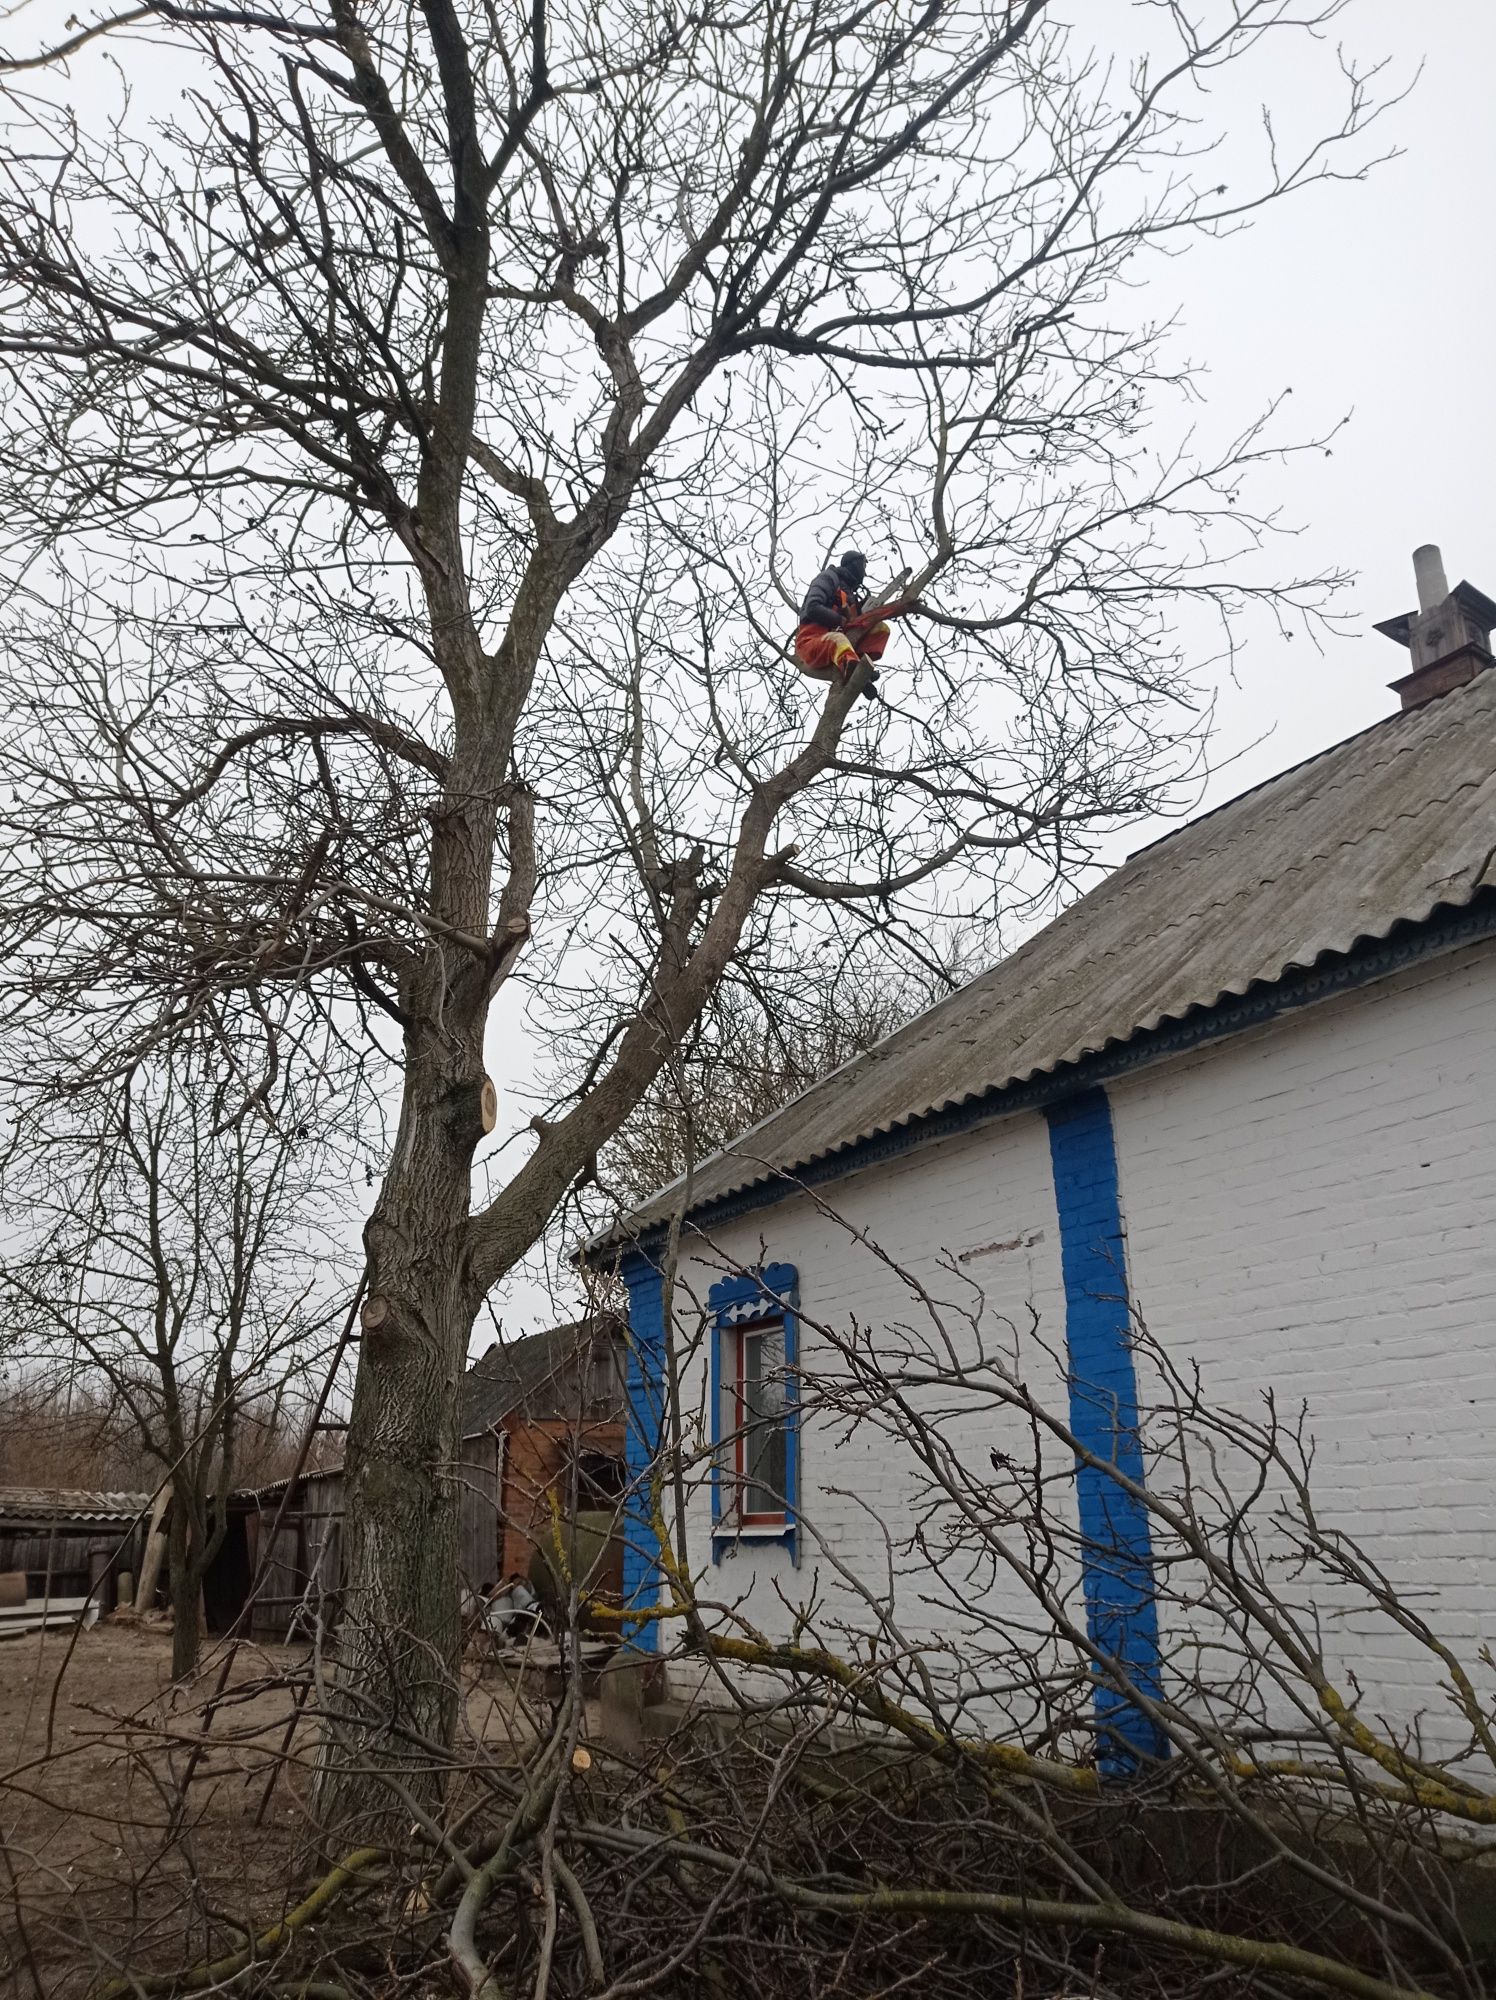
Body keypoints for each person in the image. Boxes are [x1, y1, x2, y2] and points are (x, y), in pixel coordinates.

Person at [794, 549, 917, 691]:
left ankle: (858, 665)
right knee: (837, 640)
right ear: (855, 564)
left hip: (839, 642)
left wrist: (860, 612)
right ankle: (853, 669)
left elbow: (852, 618)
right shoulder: (828, 578)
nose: (864, 572)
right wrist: (840, 620)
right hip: (811, 641)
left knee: (881, 629)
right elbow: (812, 607)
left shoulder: (850, 593)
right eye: (863, 566)